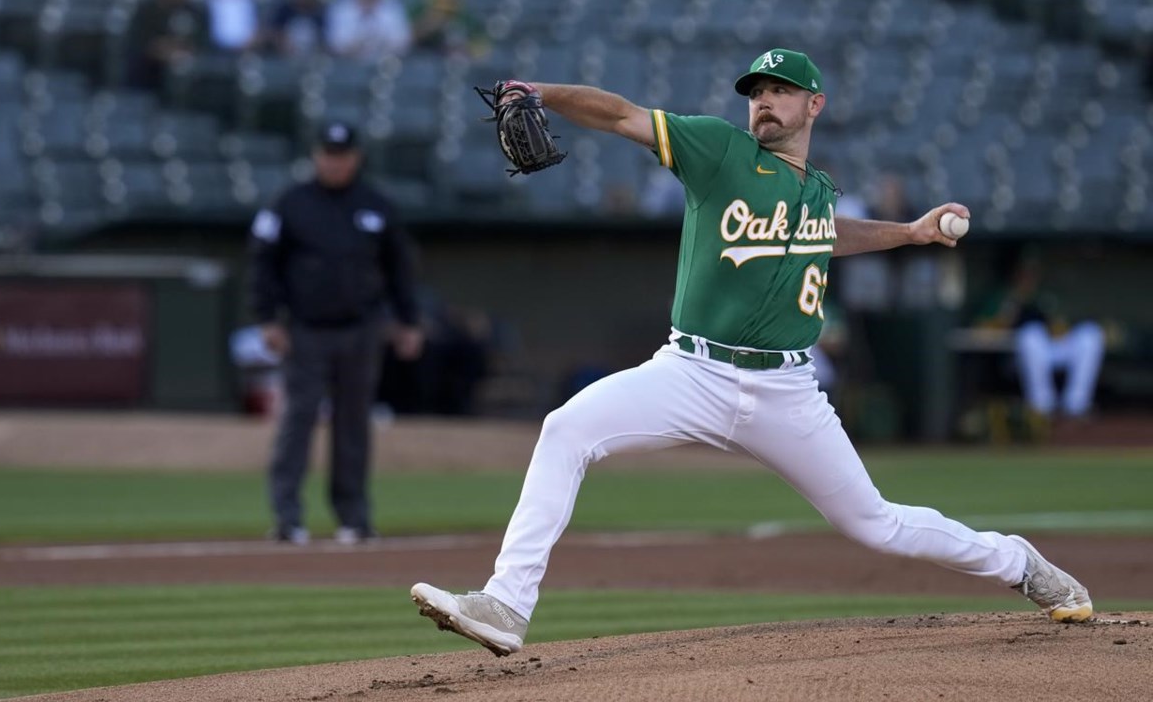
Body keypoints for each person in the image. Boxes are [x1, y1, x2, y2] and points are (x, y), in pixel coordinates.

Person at [409, 49, 1093, 656]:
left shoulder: (816, 190)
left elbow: (828, 232)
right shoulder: (719, 151)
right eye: (756, 91)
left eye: (780, 90)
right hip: (690, 372)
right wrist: (542, 92)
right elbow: (620, 115)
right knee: (566, 430)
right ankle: (506, 604)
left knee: (875, 524)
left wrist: (909, 233)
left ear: (813, 104)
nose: (763, 100)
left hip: (788, 394)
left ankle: (1020, 564)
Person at [249, 121, 424, 546]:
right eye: (327, 153)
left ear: (356, 158)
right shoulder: (289, 203)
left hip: (362, 328)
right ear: (315, 156)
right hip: (306, 328)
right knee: (298, 420)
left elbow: (399, 268)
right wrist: (267, 317)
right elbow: (262, 263)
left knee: (353, 424)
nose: (334, 161)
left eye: (342, 154)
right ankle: (287, 518)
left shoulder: (377, 205)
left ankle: (354, 516)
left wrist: (409, 320)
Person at [975, 250, 1106, 420]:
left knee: (1091, 334)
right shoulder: (1002, 296)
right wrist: (1006, 318)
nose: (1028, 277)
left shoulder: (1045, 296)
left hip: (1050, 349)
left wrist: (1056, 328)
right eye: (1024, 271)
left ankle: (1076, 405)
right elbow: (981, 328)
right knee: (1031, 334)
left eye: (1032, 271)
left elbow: (1061, 326)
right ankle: (1041, 407)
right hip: (1014, 354)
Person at [127, 0, 207, 93]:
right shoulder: (146, 11)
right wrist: (167, 52)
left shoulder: (194, 11)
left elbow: (200, 44)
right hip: (149, 77)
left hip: (189, 78)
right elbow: (143, 44)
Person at [327, 0, 411, 63]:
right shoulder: (342, 8)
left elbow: (403, 42)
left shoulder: (392, 6)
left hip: (386, 61)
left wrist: (375, 44)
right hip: (349, 62)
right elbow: (336, 44)